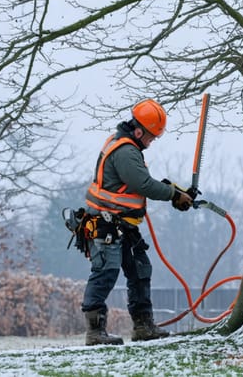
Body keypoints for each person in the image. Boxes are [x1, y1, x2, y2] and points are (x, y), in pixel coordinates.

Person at [80, 98, 194, 345]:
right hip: (107, 224)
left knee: (140, 271)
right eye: (151, 137)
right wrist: (174, 195)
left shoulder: (127, 146)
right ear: (139, 130)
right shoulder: (125, 151)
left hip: (124, 224)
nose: (151, 143)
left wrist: (172, 190)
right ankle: (95, 332)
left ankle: (144, 327)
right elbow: (142, 184)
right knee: (105, 273)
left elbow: (140, 183)